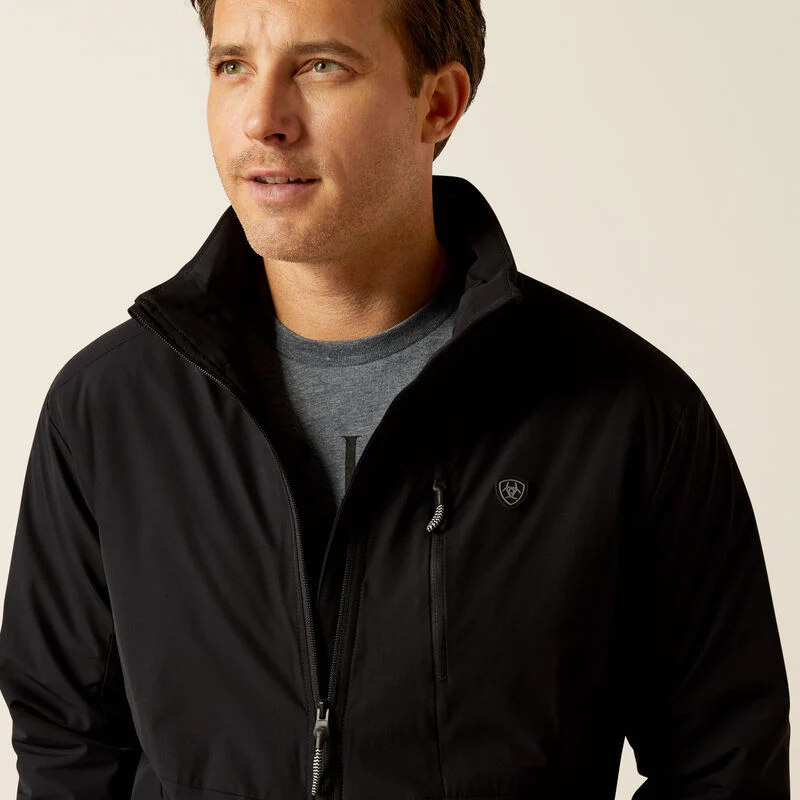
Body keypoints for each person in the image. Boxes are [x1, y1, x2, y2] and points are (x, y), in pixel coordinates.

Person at [0, 0, 790, 797]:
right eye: (232, 66)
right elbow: (67, 747)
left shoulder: (625, 414)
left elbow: (725, 764)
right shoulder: (109, 412)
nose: (263, 120)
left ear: (438, 104)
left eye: (321, 67)